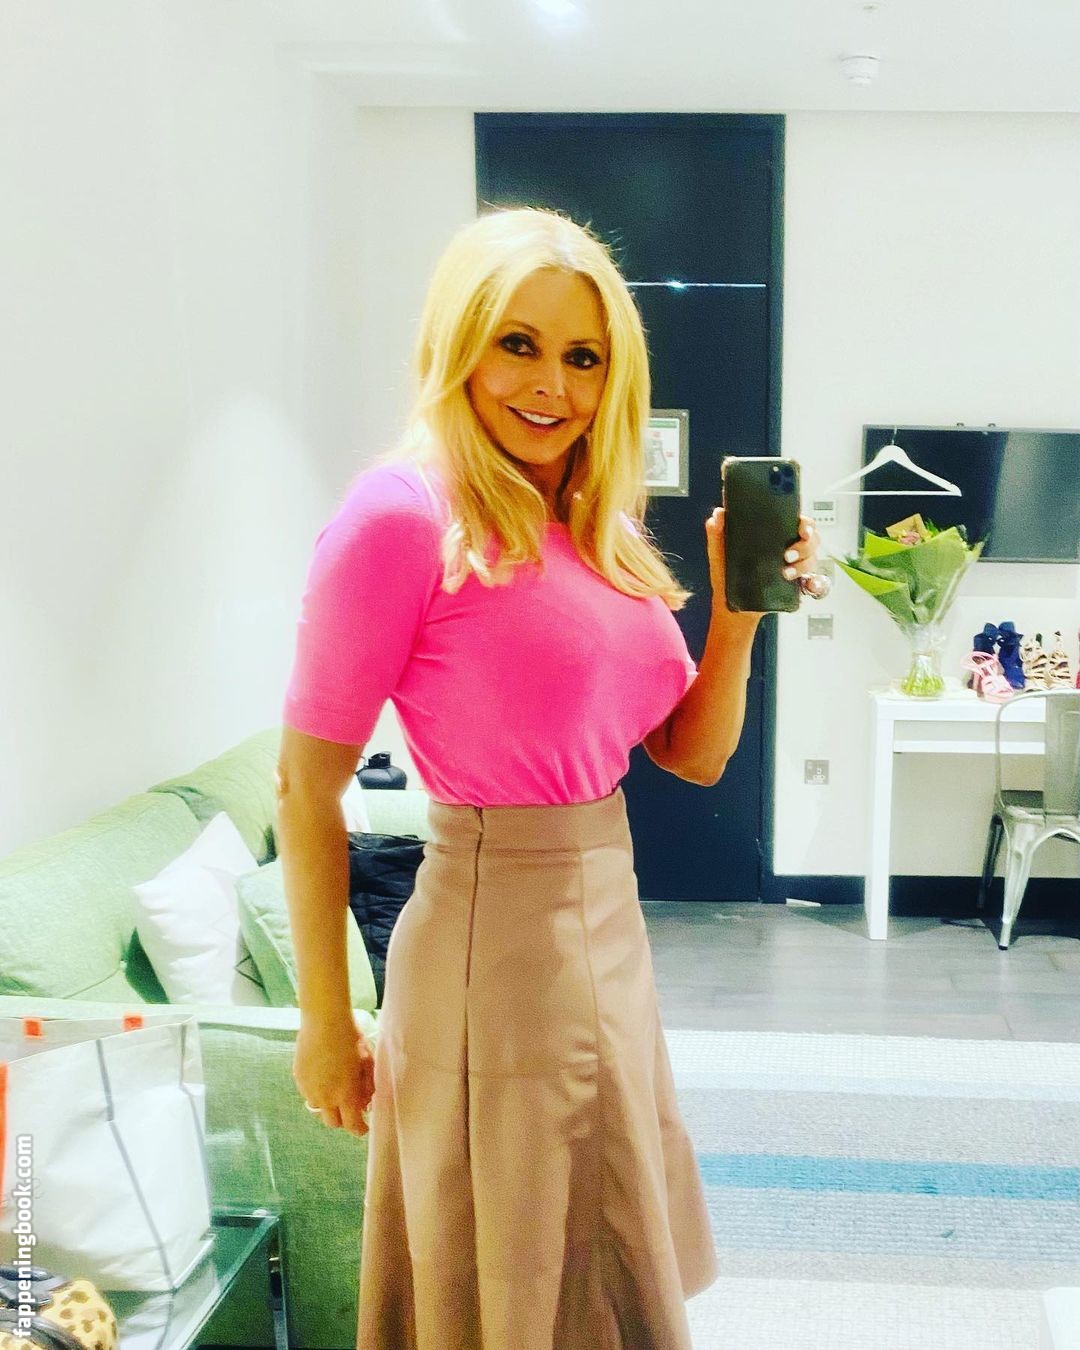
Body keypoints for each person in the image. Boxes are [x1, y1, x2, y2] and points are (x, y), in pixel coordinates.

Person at [276, 206, 820, 1349]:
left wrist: (738, 608)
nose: (551, 386)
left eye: (583, 357)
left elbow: (692, 754)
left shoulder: (591, 521)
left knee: (598, 1255)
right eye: (517, 344)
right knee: (516, 1277)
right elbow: (304, 785)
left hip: (605, 921)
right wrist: (325, 1020)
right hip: (495, 942)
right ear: (457, 341)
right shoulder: (401, 516)